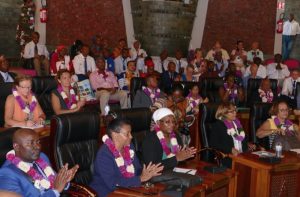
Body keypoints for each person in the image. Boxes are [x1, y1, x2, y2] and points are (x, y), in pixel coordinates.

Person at [90, 118, 163, 197]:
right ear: (115, 135)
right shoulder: (104, 154)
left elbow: (137, 169)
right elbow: (112, 183)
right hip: (107, 192)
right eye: (127, 134)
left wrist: (146, 173)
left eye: (130, 133)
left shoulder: (129, 147)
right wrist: (140, 179)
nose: (131, 136)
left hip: (127, 189)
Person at [0, 128, 79, 196]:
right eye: (30, 143)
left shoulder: (42, 157)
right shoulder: (7, 173)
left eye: (38, 142)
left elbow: (55, 183)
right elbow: (56, 189)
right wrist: (55, 191)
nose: (37, 147)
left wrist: (64, 180)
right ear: (16, 147)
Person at [209, 102, 250, 168]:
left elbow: (242, 138)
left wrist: (248, 144)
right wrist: (230, 149)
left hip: (241, 156)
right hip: (227, 157)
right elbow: (213, 143)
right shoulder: (218, 125)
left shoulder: (237, 123)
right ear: (223, 113)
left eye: (235, 110)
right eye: (232, 111)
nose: (235, 113)